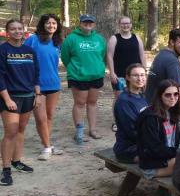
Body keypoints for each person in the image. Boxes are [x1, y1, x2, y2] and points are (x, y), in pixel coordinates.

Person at [0, 19, 40, 186]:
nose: (17, 31)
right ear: (7, 32)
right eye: (13, 29)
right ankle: (6, 170)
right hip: (10, 97)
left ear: (24, 31)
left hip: (28, 96)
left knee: (21, 130)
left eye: (19, 28)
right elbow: (0, 76)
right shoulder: (3, 50)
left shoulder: (29, 50)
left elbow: (36, 73)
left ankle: (17, 161)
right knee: (11, 132)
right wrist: (7, 99)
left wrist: (38, 95)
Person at [60, 14, 106, 143]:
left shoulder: (99, 39)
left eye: (90, 22)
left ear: (94, 24)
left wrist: (99, 68)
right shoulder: (71, 39)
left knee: (92, 103)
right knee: (80, 103)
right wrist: (75, 69)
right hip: (78, 76)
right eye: (85, 22)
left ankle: (93, 129)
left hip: (96, 75)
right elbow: (65, 57)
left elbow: (102, 55)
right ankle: (79, 132)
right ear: (80, 24)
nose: (88, 24)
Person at [25, 14, 64, 160]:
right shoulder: (32, 40)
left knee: (49, 116)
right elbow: (23, 59)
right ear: (43, 24)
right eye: (48, 23)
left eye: (54, 23)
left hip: (54, 83)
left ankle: (47, 144)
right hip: (36, 85)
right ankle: (47, 148)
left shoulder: (57, 42)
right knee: (40, 118)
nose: (51, 26)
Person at [146, 28, 180, 117]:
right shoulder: (172, 62)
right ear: (172, 42)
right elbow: (178, 89)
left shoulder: (163, 54)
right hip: (161, 105)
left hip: (153, 100)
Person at [106, 16, 146, 131]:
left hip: (137, 74)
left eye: (127, 23)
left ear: (131, 24)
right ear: (119, 25)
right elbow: (109, 56)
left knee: (137, 95)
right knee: (119, 97)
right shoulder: (114, 38)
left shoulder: (136, 38)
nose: (125, 25)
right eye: (123, 23)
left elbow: (142, 54)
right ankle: (117, 121)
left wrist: (144, 72)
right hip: (120, 74)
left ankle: (136, 117)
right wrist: (112, 72)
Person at [136, 79, 180, 178]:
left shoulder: (171, 112)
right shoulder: (150, 118)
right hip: (153, 165)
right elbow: (154, 148)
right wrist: (178, 152)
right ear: (160, 96)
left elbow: (175, 139)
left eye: (175, 94)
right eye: (168, 95)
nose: (172, 98)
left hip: (168, 158)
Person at [113, 63, 148, 163]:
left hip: (144, 142)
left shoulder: (143, 96)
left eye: (142, 75)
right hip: (128, 149)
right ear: (128, 77)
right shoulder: (124, 101)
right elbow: (132, 131)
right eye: (135, 75)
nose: (140, 78)